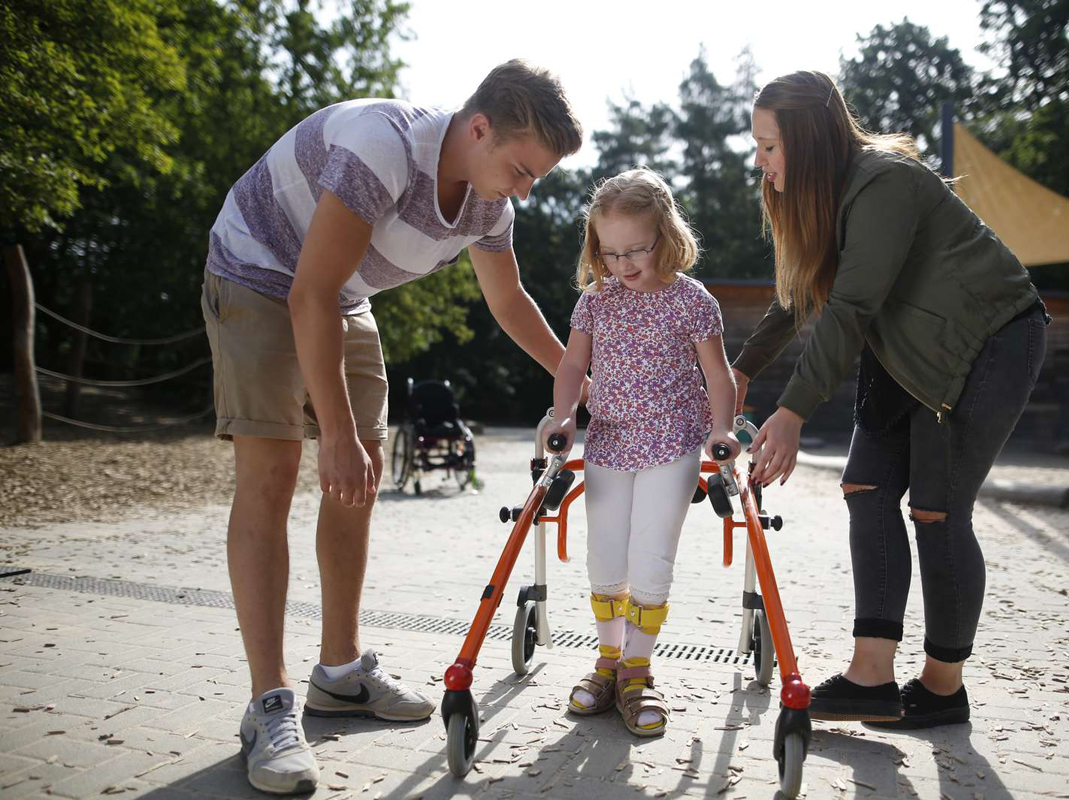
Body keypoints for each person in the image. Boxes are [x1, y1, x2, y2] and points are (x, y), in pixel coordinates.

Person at [200, 60, 583, 793]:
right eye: (522, 168)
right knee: (276, 471)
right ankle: (269, 705)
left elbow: (510, 304)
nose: (527, 189)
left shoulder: (489, 206)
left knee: (360, 482)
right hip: (258, 270)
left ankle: (339, 674)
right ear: (479, 129)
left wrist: (583, 383)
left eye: (538, 177)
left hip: (338, 294)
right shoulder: (383, 147)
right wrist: (335, 432)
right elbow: (304, 292)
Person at [732, 71, 1048, 729]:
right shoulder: (818, 197)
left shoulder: (886, 182)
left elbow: (850, 306)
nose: (759, 160)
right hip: (900, 351)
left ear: (812, 142)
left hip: (986, 342)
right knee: (865, 488)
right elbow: (801, 293)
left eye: (769, 146)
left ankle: (941, 688)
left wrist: (791, 410)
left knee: (936, 509)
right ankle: (871, 675)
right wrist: (742, 370)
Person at [544, 168, 740, 737]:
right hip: (609, 442)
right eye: (610, 252)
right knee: (605, 558)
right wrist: (563, 416)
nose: (623, 263)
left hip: (672, 445)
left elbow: (718, 375)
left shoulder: (691, 301)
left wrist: (721, 429)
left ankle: (637, 670)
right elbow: (573, 366)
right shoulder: (597, 302)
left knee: (651, 558)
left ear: (667, 237)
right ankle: (608, 661)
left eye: (637, 250)